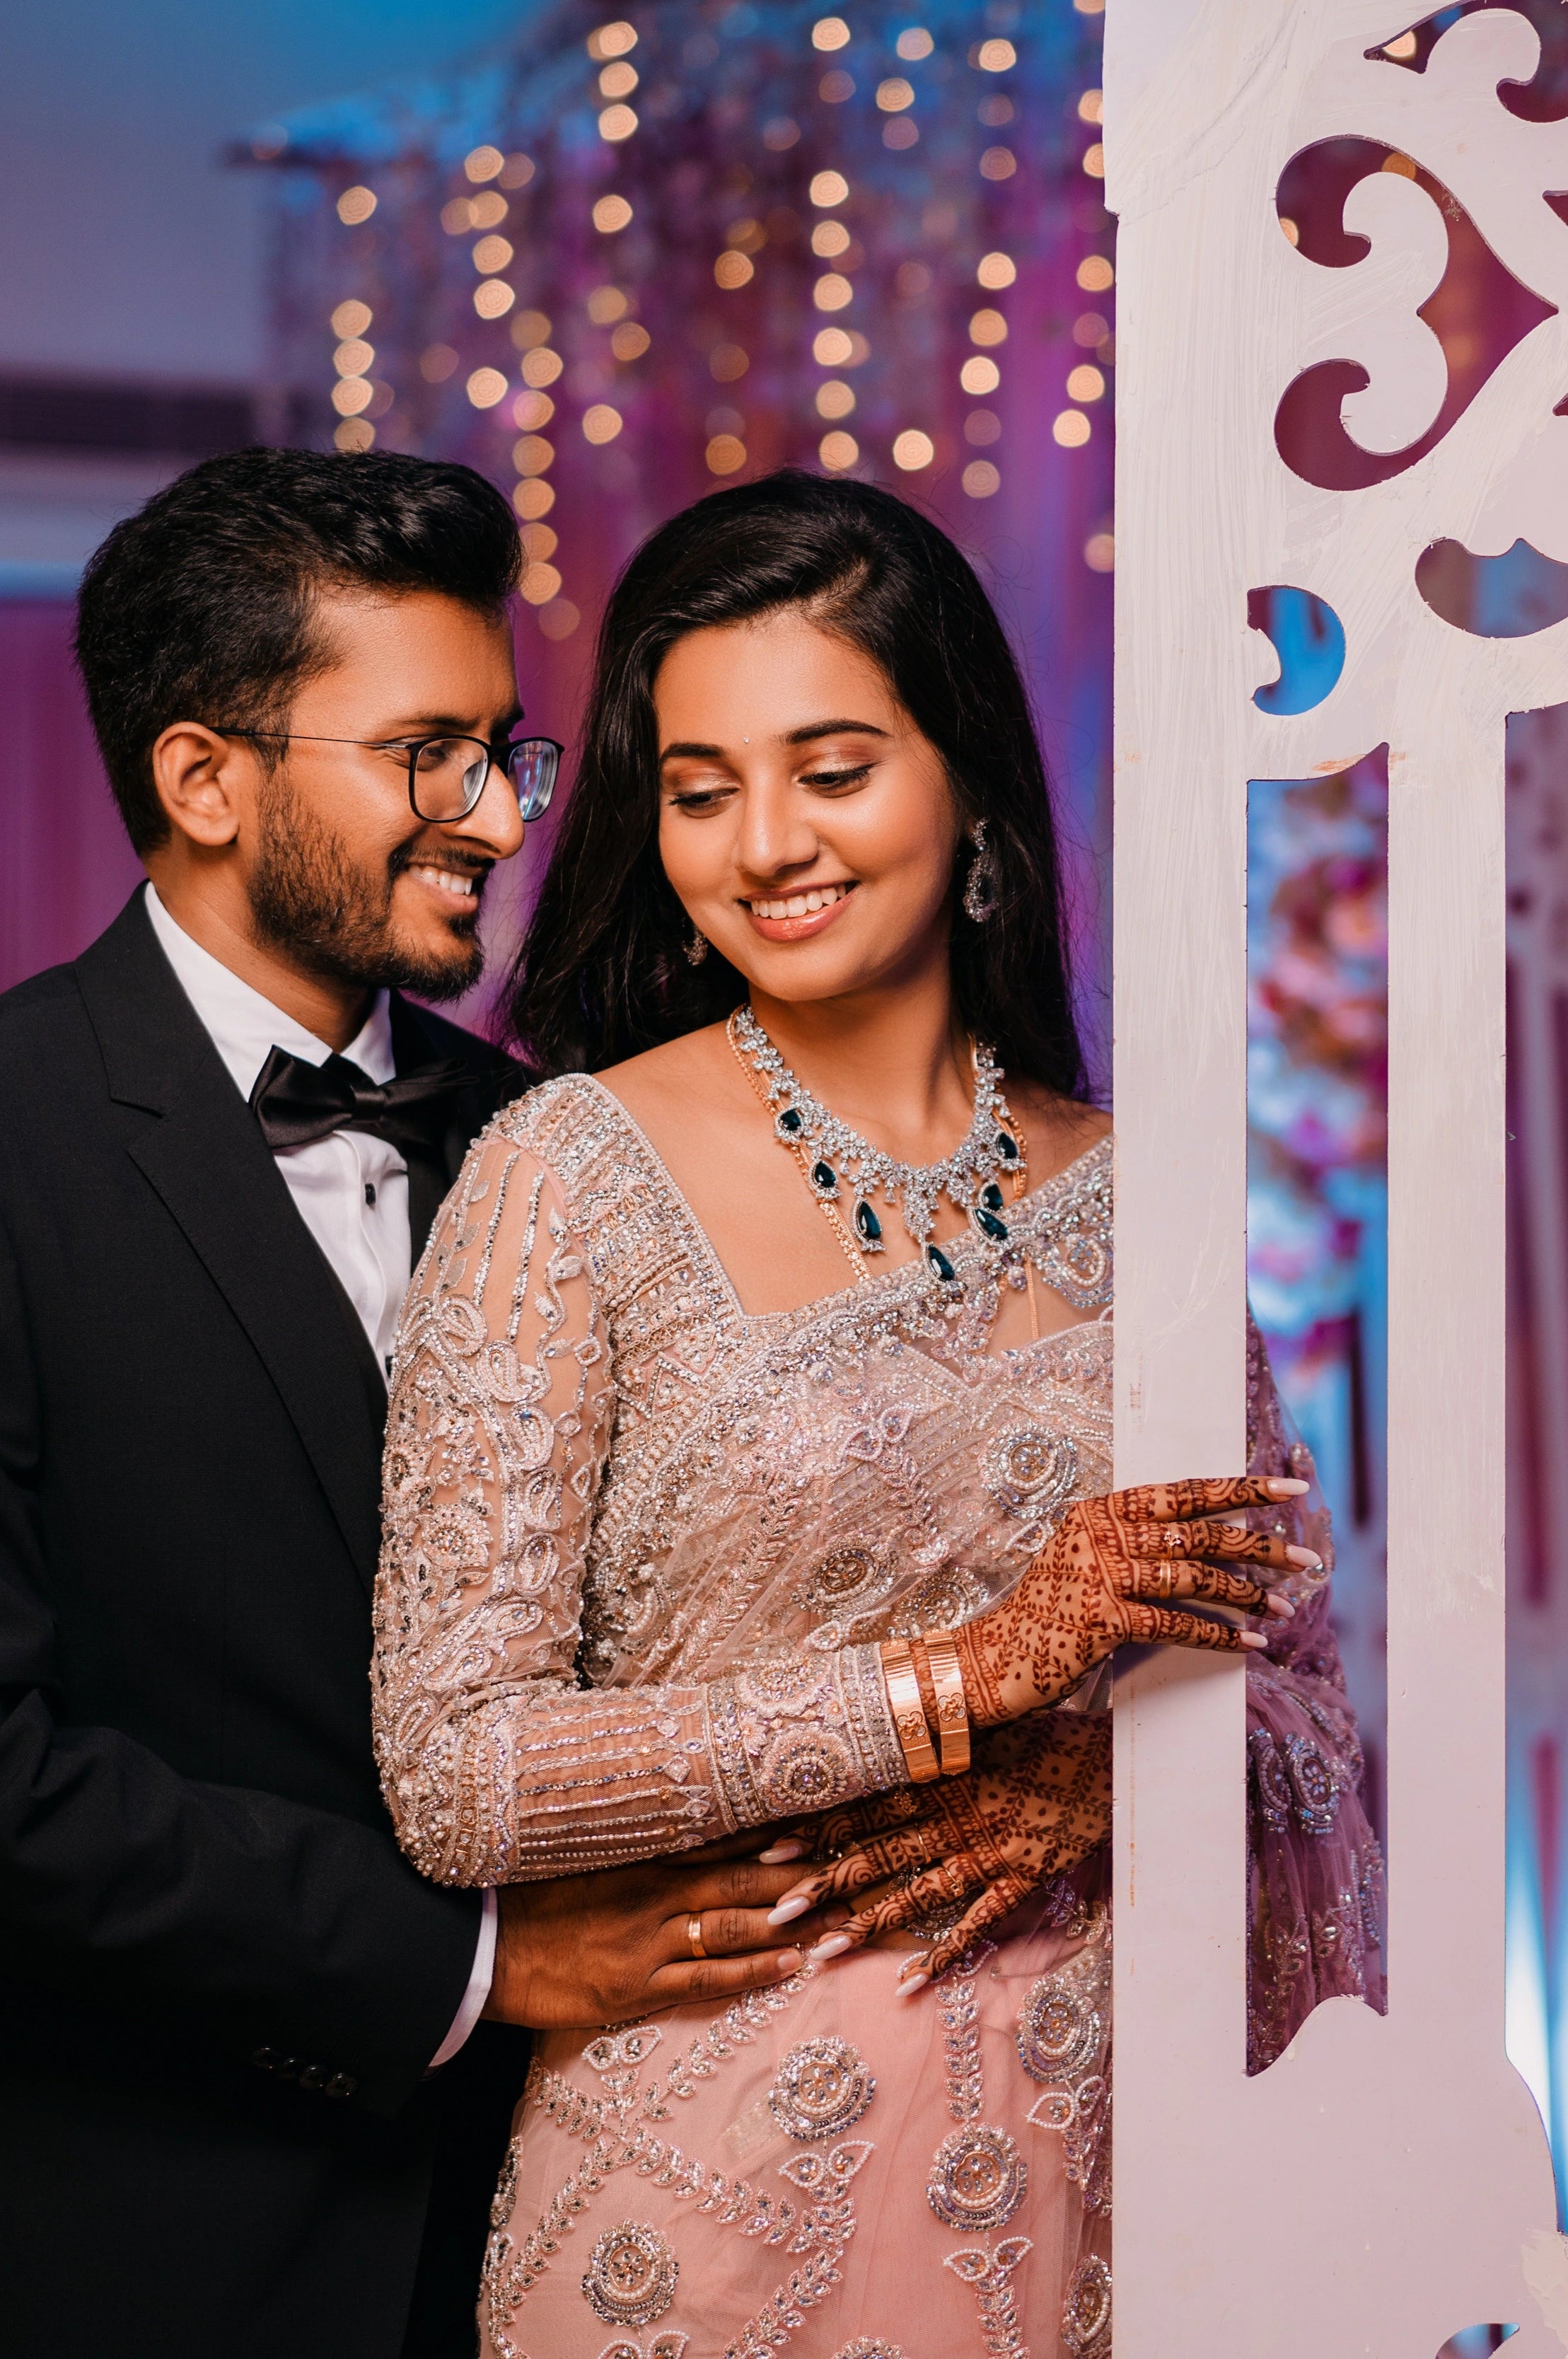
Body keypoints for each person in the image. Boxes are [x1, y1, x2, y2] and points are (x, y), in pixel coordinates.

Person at [373, 470, 1385, 2356]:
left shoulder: (1148, 1196)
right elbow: (462, 1769)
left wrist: (1113, 1779)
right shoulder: (565, 1176)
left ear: (970, 785)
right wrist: (969, 1681)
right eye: (700, 792)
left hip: (1125, 2170)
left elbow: (1300, 1697)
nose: (766, 846)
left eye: (831, 771)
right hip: (709, 2184)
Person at [0, 447, 820, 2359]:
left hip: (611, 2213)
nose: (499, 818)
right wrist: (467, 1964)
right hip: (153, 2247)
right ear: (205, 779)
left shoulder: (564, 1139)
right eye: (427, 756)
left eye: (502, 754)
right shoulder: (18, 1132)